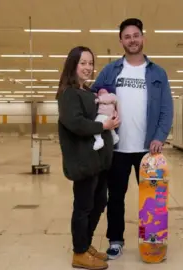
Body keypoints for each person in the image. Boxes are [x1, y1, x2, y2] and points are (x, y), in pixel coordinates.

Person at [90, 18, 174, 260]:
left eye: (136, 35)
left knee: (152, 201)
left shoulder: (158, 73)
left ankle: (153, 240)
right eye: (127, 36)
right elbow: (94, 94)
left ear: (143, 38)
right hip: (117, 148)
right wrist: (100, 95)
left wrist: (159, 136)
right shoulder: (111, 70)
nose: (132, 40)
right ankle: (115, 240)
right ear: (121, 41)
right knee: (115, 197)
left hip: (149, 150)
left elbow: (167, 108)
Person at [56, 45, 120, 270]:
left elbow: (100, 118)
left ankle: (86, 243)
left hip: (98, 161)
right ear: (72, 65)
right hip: (83, 162)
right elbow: (75, 123)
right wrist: (103, 124)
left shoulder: (89, 92)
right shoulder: (68, 93)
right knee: (83, 207)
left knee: (99, 203)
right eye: (82, 63)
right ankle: (79, 252)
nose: (87, 67)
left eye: (90, 63)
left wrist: (111, 119)